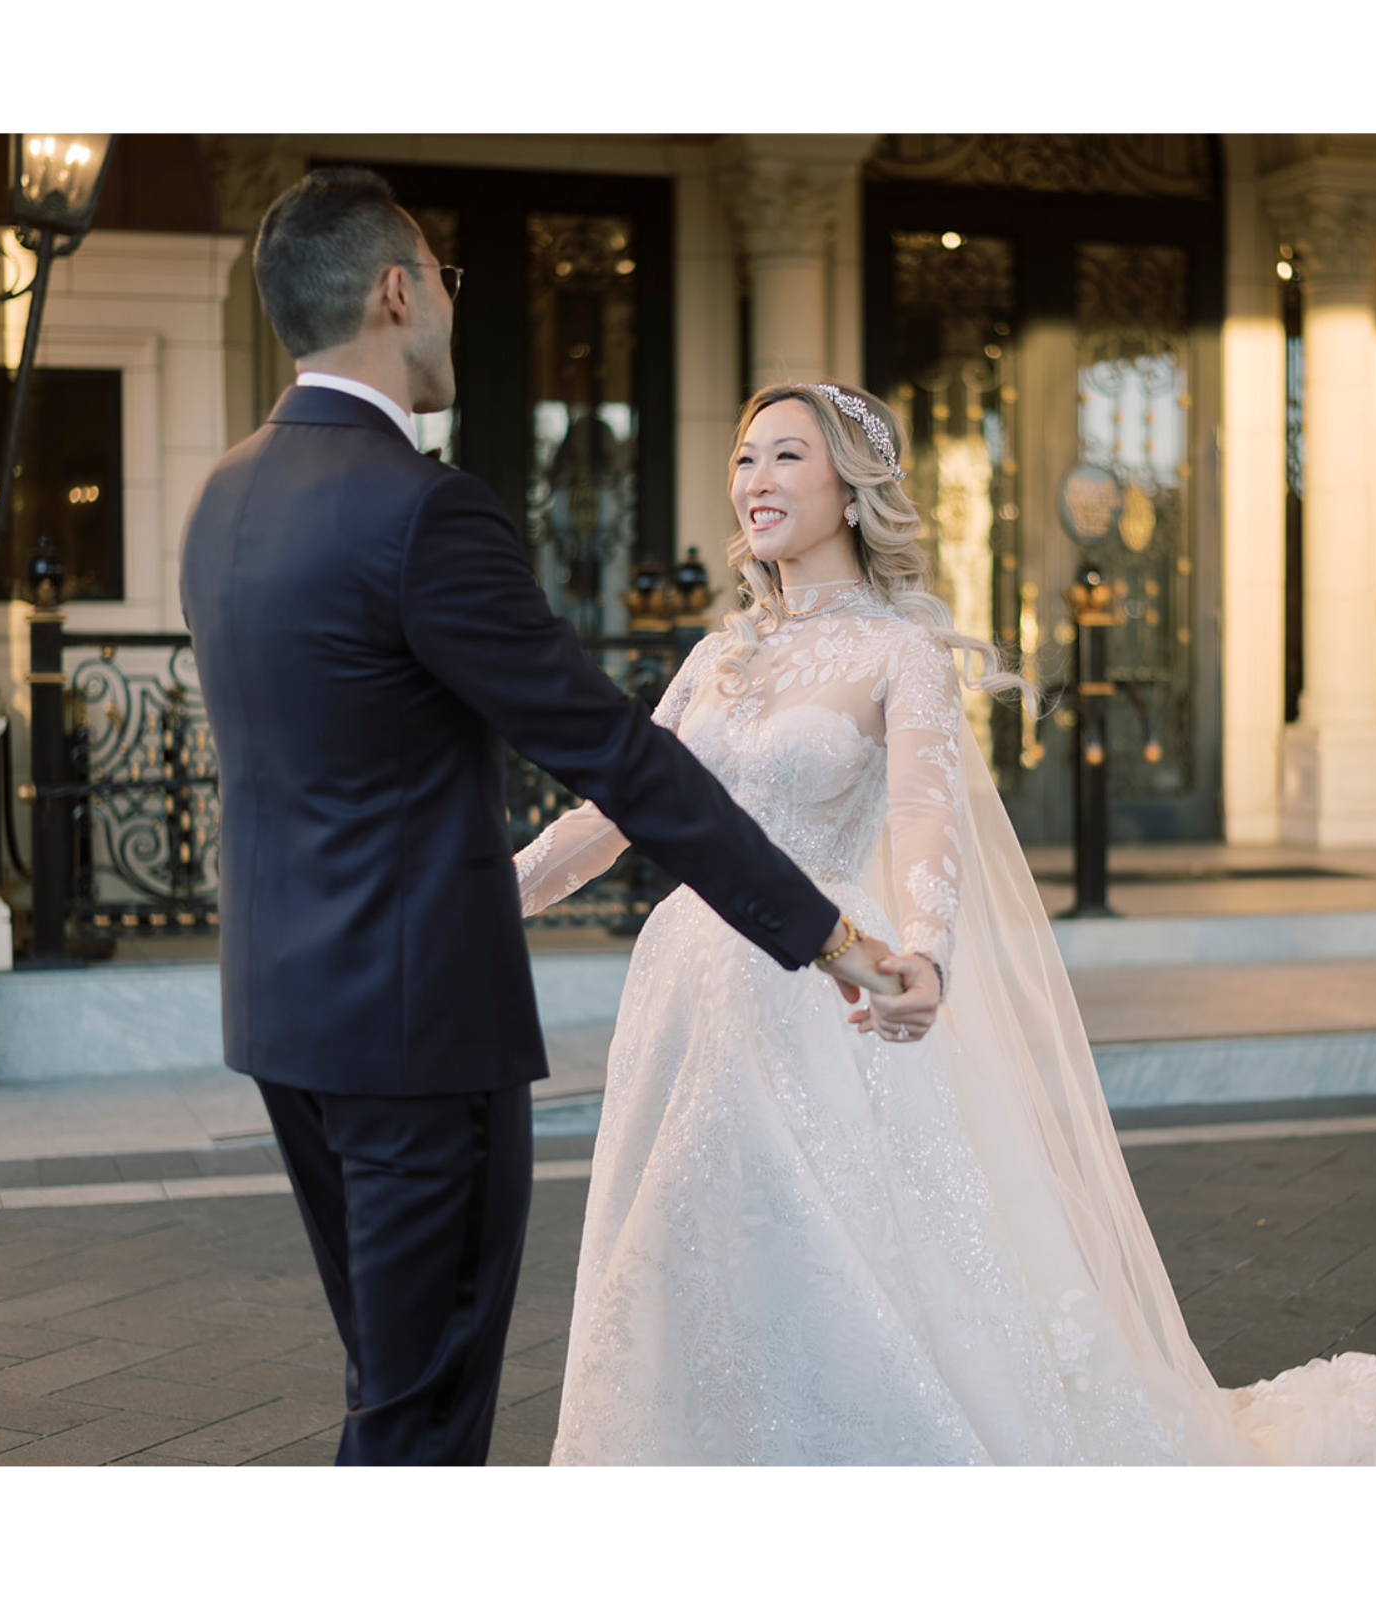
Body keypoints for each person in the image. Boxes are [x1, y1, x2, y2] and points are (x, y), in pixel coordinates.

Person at [520, 381, 1376, 1465]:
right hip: (687, 995)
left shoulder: (897, 654)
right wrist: (489, 895)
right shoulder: (716, 658)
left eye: (787, 457)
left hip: (822, 992)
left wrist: (925, 952)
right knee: (681, 1245)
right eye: (745, 457)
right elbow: (617, 812)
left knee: (829, 1251)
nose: (754, 479)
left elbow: (927, 816)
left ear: (851, 490)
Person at [177, 172, 907, 1467]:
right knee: (423, 1420)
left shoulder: (223, 497)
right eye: (446, 284)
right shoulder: (421, 510)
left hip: (283, 1020)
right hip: (417, 1037)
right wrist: (828, 935)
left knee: (388, 1385)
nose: (453, 313)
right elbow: (618, 754)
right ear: (397, 291)